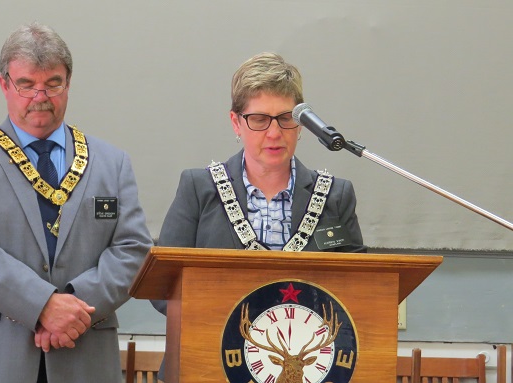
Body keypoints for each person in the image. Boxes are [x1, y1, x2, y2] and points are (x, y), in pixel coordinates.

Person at [0, 22, 152, 382]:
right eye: (26, 84)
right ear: (4, 84)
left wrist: (71, 308)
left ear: (68, 84)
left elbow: (132, 250)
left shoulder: (112, 163)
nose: (40, 97)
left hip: (83, 354)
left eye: (53, 83)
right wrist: (43, 306)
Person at [152, 52, 366, 318]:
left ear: (301, 125)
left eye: (286, 118)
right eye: (259, 120)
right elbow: (163, 289)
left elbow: (361, 290)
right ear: (236, 123)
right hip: (212, 349)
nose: (274, 133)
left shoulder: (335, 195)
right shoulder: (198, 188)